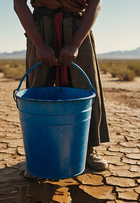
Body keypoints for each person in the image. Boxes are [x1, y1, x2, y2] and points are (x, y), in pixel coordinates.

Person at [14, 0, 110, 175]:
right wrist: (39, 44)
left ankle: (88, 149)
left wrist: (75, 44)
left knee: (85, 85)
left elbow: (95, 3)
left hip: (78, 27)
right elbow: (19, 4)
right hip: (41, 28)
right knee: (38, 90)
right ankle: (38, 155)